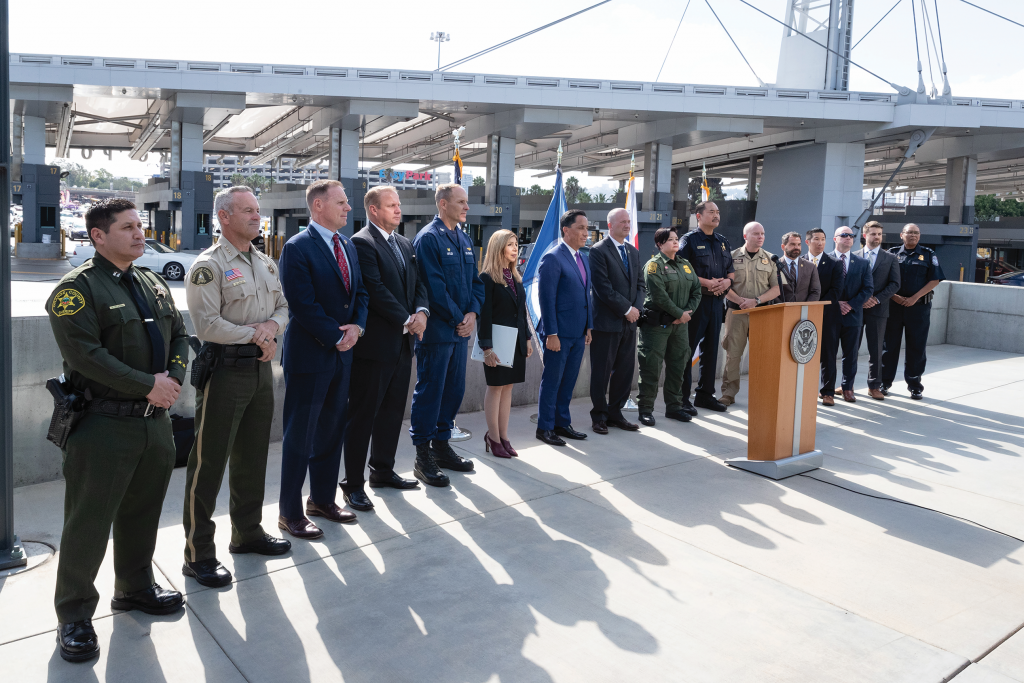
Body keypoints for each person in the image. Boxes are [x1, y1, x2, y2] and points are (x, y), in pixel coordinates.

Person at [47, 199, 187, 663]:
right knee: (89, 523)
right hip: (104, 425)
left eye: (140, 225)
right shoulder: (75, 290)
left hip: (155, 425)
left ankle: (134, 587)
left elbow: (181, 335)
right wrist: (148, 384)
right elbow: (87, 355)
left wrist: (173, 380)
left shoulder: (150, 280)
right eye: (127, 227)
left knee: (143, 514)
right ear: (98, 236)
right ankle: (74, 615)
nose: (139, 233)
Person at [181, 186, 291, 589]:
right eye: (247, 210)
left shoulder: (265, 262)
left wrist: (271, 328)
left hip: (261, 372)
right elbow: (206, 325)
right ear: (224, 216)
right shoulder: (208, 266)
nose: (256, 217)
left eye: (257, 210)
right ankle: (198, 554)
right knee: (207, 464)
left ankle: (247, 533)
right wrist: (256, 335)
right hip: (225, 373)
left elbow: (282, 307)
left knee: (252, 458)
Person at [277, 180, 368, 539]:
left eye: (348, 203)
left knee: (331, 430)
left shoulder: (347, 244)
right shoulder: (297, 247)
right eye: (341, 203)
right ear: (318, 206)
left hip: (342, 355)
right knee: (300, 435)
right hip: (311, 355)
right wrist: (336, 335)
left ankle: (322, 500)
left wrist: (357, 328)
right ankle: (290, 512)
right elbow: (301, 303)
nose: (348, 209)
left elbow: (360, 292)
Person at [342, 187, 428, 511]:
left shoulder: (405, 243)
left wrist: (422, 312)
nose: (398, 209)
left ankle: (383, 471)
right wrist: (408, 318)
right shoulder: (362, 242)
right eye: (391, 205)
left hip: (403, 344)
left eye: (398, 204)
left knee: (392, 412)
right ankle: (352, 484)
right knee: (363, 415)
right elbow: (373, 290)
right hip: (375, 346)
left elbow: (419, 283)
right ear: (374, 210)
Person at [410, 184, 483, 484]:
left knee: (453, 392)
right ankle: (422, 456)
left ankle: (441, 446)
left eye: (467, 202)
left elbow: (476, 283)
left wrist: (473, 314)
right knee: (431, 392)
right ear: (442, 204)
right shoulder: (428, 238)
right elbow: (434, 289)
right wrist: (459, 319)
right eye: (461, 202)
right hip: (439, 332)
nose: (467, 207)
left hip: (459, 332)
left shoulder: (464, 238)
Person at [535, 209, 594, 446]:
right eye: (581, 228)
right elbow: (546, 299)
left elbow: (586, 296)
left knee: (569, 381)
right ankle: (545, 427)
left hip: (579, 333)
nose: (586, 233)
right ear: (566, 230)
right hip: (558, 334)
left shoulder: (583, 258)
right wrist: (551, 333)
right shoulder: (553, 258)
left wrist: (589, 327)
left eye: (587, 228)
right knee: (552, 381)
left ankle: (562, 422)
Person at [636, 228, 702, 426]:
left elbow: (697, 291)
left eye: (676, 239)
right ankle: (646, 409)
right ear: (660, 244)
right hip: (657, 326)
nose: (675, 242)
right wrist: (678, 314)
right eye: (670, 239)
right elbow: (659, 296)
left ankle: (674, 407)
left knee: (678, 366)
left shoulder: (686, 265)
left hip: (680, 326)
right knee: (651, 367)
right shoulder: (654, 266)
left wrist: (685, 314)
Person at [588, 208, 645, 434]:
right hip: (607, 322)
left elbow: (641, 284)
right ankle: (599, 416)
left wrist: (636, 309)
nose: (627, 225)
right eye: (622, 221)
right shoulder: (598, 251)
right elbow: (602, 288)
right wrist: (626, 309)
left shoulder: (632, 251)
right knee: (602, 372)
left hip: (630, 323)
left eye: (629, 221)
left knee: (625, 370)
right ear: (610, 225)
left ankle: (615, 413)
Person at [478, 229, 533, 457]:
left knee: (507, 388)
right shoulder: (487, 278)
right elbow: (485, 315)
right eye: (510, 244)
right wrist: (487, 348)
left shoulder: (515, 277)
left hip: (516, 342)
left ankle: (504, 436)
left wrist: (528, 338)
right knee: (496, 387)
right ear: (498, 247)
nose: (515, 249)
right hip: (497, 343)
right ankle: (493, 437)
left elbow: (522, 312)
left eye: (516, 244)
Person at [678, 201, 734, 414]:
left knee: (711, 350)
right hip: (696, 302)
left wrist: (727, 283)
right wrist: (706, 282)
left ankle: (705, 395)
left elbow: (731, 271)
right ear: (699, 216)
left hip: (717, 302)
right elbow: (682, 270)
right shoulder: (689, 240)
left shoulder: (722, 241)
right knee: (688, 349)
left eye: (718, 212)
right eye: (711, 212)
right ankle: (681, 397)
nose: (716, 215)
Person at [719, 222, 781, 406]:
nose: (760, 237)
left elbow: (777, 289)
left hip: (761, 313)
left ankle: (761, 392)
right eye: (756, 234)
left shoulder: (771, 259)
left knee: (762, 355)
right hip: (736, 313)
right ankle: (728, 394)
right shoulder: (730, 257)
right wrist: (740, 301)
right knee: (733, 355)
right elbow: (724, 284)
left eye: (762, 233)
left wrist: (756, 301)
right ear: (745, 236)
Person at [881, 223, 945, 399]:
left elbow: (935, 280)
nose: (913, 236)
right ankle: (884, 383)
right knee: (889, 346)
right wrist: (895, 297)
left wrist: (914, 298)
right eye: (909, 233)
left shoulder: (928, 254)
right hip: (893, 306)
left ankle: (914, 385)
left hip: (919, 308)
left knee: (916, 347)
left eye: (916, 233)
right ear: (902, 235)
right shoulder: (891, 253)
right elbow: (882, 279)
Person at [820, 226, 873, 404]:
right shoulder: (825, 261)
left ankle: (848, 388)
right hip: (830, 315)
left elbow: (868, 289)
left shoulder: (862, 263)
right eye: (844, 235)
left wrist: (850, 304)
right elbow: (819, 289)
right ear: (835, 239)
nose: (848, 238)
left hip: (853, 316)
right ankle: (827, 390)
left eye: (851, 236)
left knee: (851, 355)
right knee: (828, 354)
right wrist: (836, 304)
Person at [855, 221, 901, 400]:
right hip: (856, 309)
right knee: (852, 348)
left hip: (878, 309)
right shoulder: (855, 256)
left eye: (879, 234)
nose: (877, 237)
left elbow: (895, 284)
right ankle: (846, 385)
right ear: (865, 235)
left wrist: (876, 299)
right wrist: (859, 300)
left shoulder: (890, 258)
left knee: (876, 350)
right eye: (873, 234)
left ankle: (874, 386)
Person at [777, 231, 821, 303]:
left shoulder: (810, 266)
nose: (796, 247)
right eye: (792, 244)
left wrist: (804, 308)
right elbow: (771, 290)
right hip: (781, 310)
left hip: (804, 311)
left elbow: (815, 291)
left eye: (799, 244)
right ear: (783, 247)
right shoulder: (775, 266)